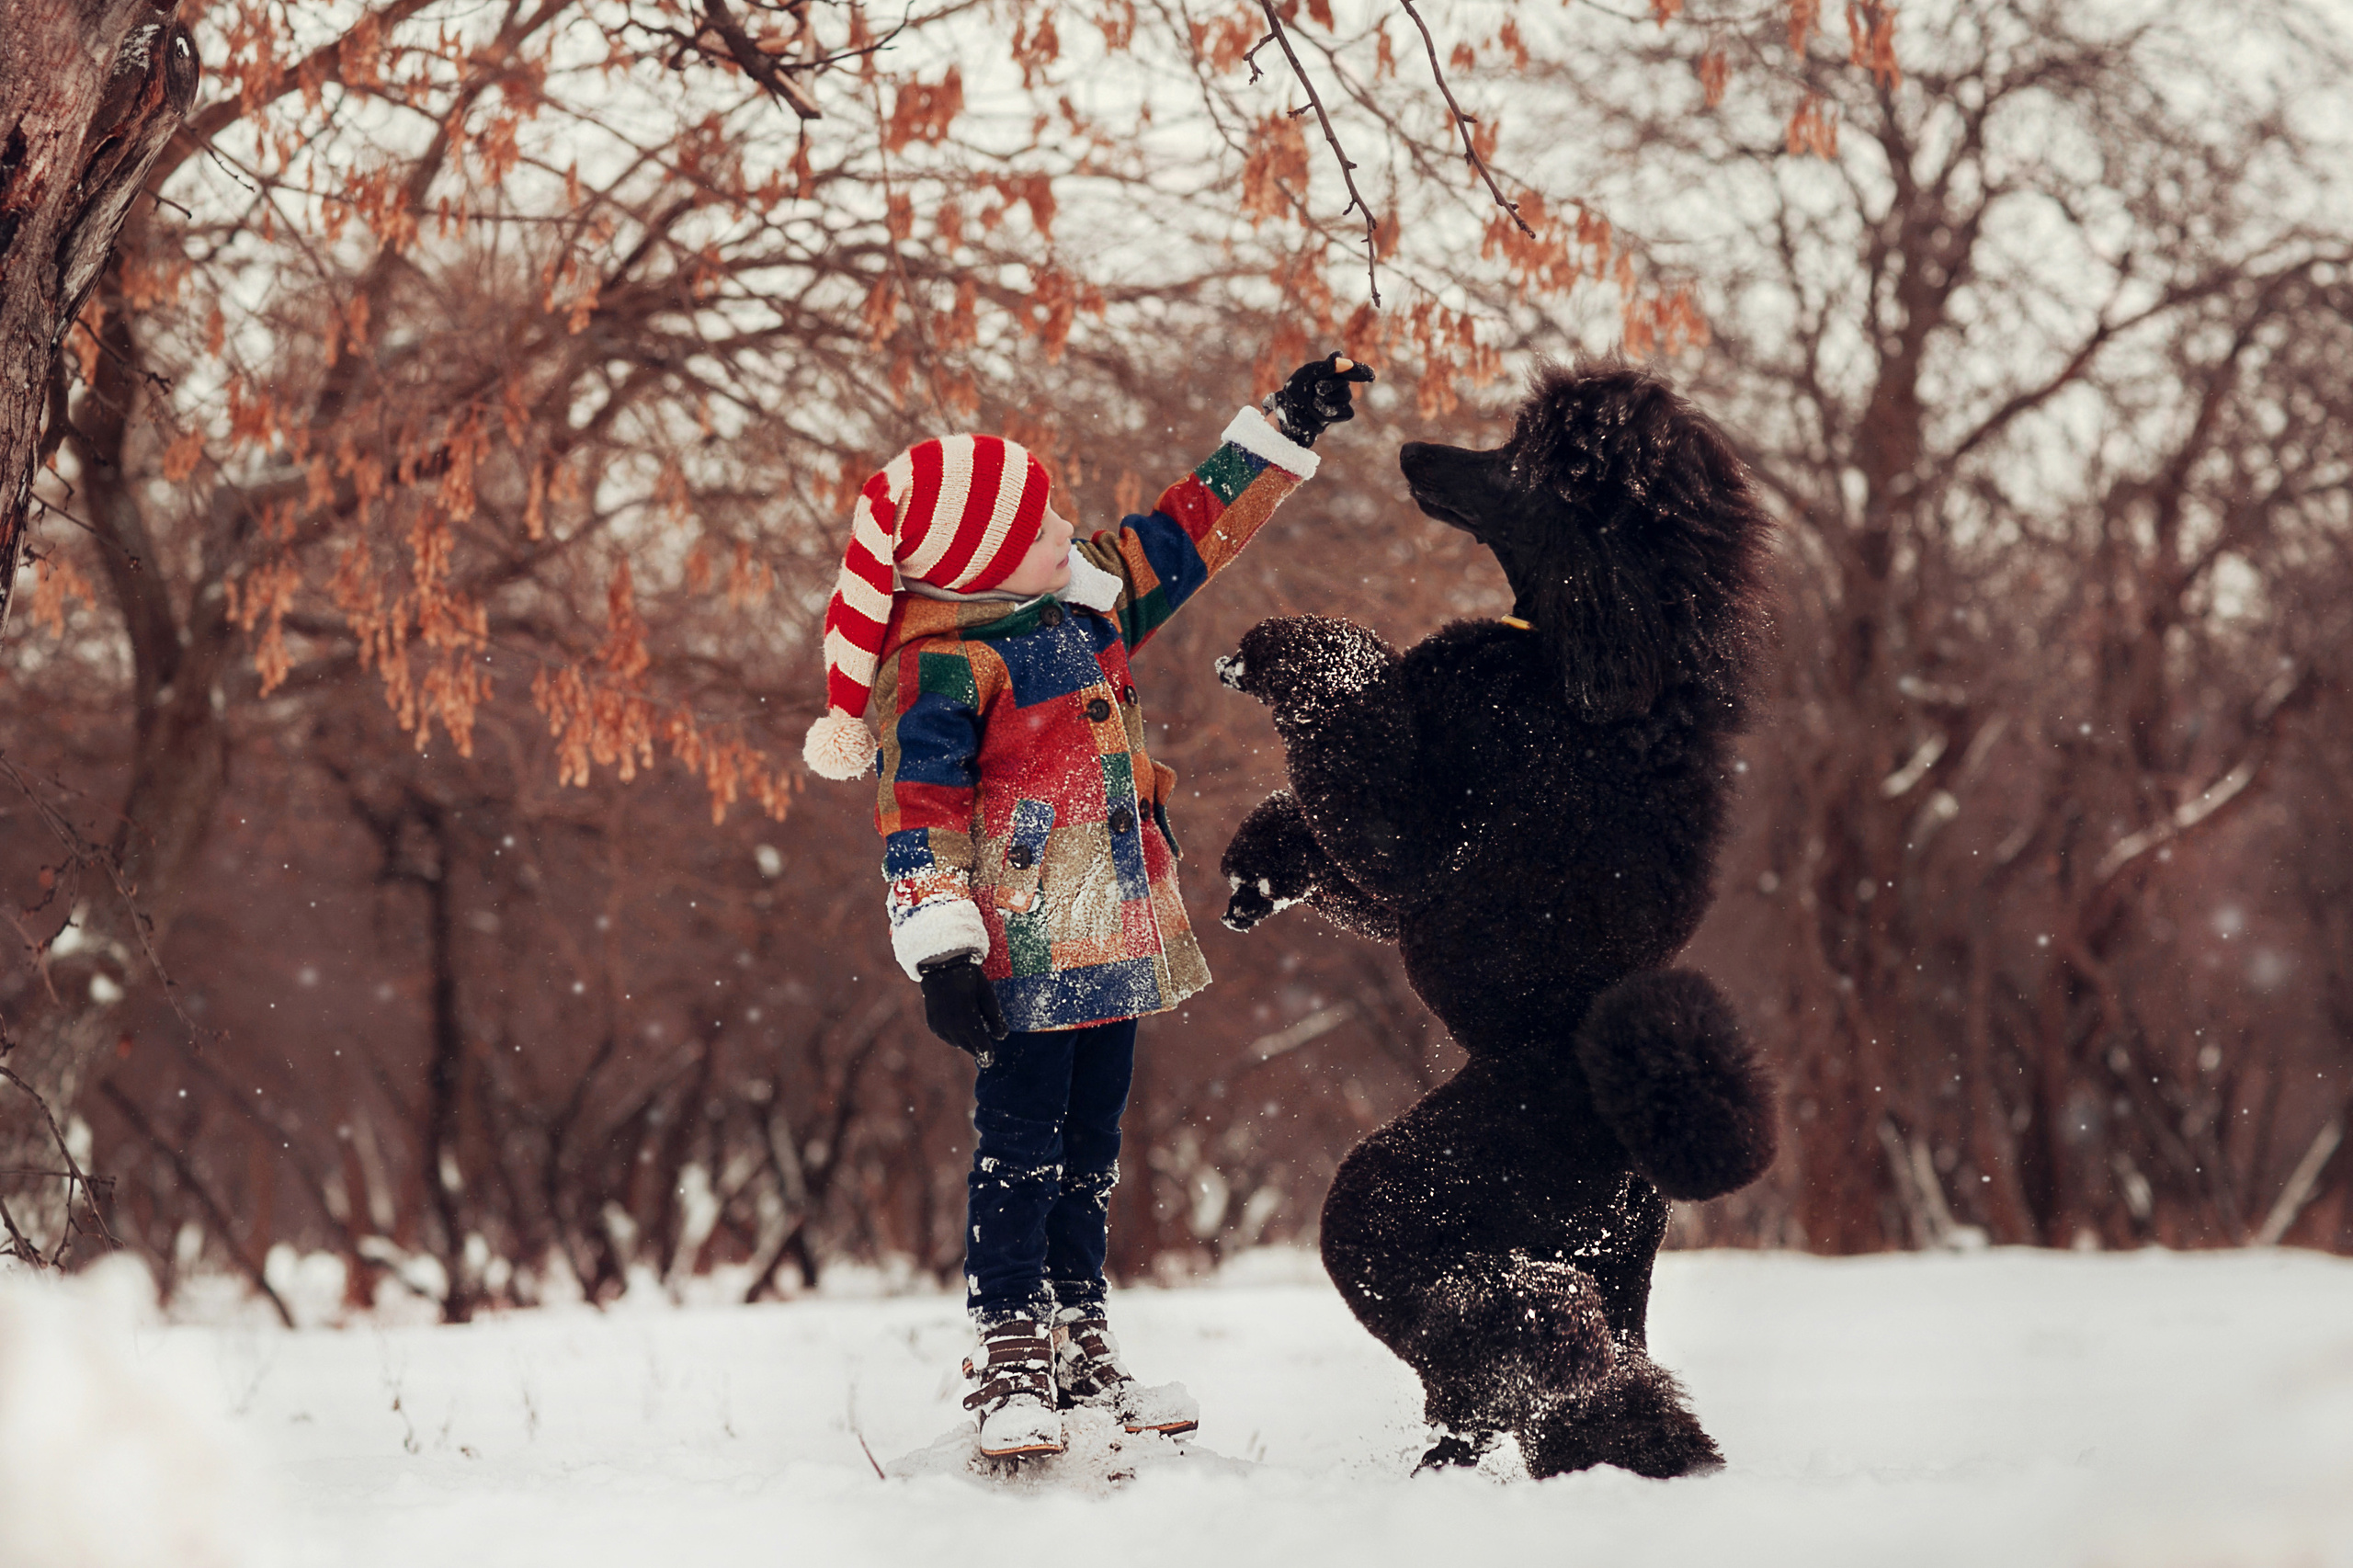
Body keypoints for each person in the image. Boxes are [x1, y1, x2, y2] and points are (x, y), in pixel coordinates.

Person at [801, 353, 1374, 1457]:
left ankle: (1080, 1334)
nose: (1070, 524)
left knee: (1093, 1142)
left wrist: (1277, 429)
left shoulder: (1088, 601)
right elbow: (917, 811)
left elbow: (1183, 533)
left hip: (1113, 924)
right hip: (1015, 943)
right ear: (982, 565)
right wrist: (942, 948)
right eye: (1043, 522)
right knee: (1020, 1143)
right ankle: (1010, 1346)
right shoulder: (946, 669)